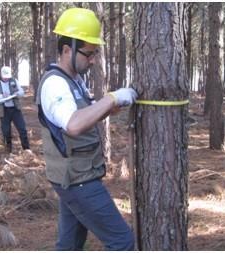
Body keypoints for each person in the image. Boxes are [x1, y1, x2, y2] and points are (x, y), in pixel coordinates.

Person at [36, 8, 138, 250]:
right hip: (77, 181)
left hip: (75, 177)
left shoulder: (74, 81)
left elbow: (83, 113)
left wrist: (106, 109)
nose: (92, 60)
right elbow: (73, 125)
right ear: (67, 50)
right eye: (88, 54)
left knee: (69, 246)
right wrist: (111, 99)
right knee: (123, 242)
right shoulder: (55, 84)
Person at [0, 66, 30, 153]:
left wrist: (17, 93)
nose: (7, 78)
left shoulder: (14, 81)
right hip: (4, 111)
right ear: (1, 75)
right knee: (6, 132)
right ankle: (8, 150)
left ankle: (26, 149)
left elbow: (21, 92)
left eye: (8, 77)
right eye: (5, 76)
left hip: (15, 109)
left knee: (22, 129)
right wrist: (1, 96)